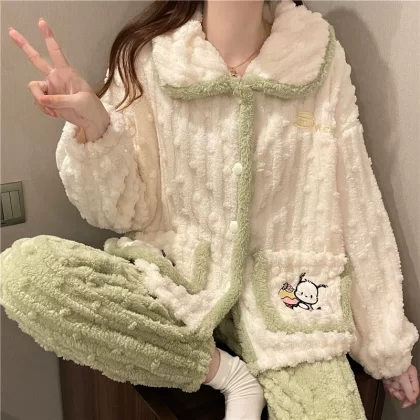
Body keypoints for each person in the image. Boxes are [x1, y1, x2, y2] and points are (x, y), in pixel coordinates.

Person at [3, 0, 419, 418]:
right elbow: (119, 213)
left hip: (288, 301)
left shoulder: (317, 54)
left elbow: (356, 198)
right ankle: (231, 376)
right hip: (176, 281)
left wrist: (386, 343)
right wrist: (95, 126)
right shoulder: (149, 57)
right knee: (26, 272)